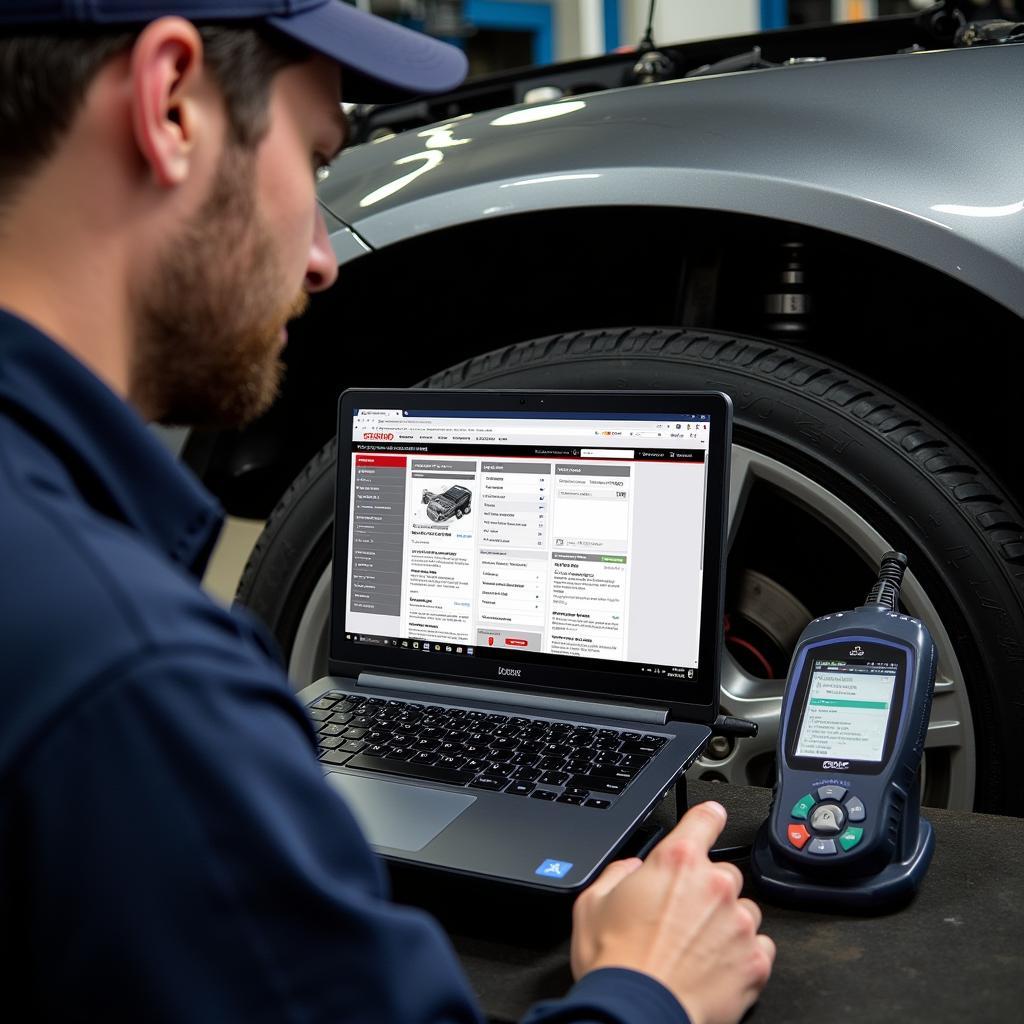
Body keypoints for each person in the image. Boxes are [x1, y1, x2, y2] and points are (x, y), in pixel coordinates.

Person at [0, 2, 774, 1022]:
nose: (321, 256)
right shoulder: (130, 675)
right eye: (316, 162)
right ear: (173, 103)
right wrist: (648, 986)